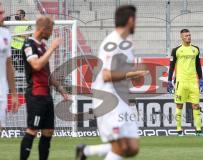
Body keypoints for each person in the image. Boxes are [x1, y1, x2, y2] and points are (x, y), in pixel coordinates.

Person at [76, 5, 148, 160]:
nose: (136, 23)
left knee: (133, 147)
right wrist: (132, 73)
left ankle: (86, 151)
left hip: (121, 100)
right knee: (121, 147)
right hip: (108, 100)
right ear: (130, 20)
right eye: (135, 20)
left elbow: (119, 73)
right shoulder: (113, 42)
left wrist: (133, 75)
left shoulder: (126, 43)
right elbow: (107, 75)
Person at [20, 16, 69, 160]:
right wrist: (53, 48)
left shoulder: (42, 46)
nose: (51, 34)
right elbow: (36, 65)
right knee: (32, 131)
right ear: (43, 30)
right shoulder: (29, 45)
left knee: (48, 132)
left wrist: (61, 89)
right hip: (36, 95)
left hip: (46, 96)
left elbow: (47, 73)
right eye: (50, 31)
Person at [167, 29, 203, 136]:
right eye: (186, 36)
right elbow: (172, 66)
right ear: (182, 37)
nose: (189, 37)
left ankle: (198, 130)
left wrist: (201, 79)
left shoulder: (196, 49)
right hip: (181, 81)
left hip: (193, 81)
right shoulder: (176, 50)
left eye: (189, 35)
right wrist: (169, 80)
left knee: (196, 105)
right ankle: (179, 130)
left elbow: (198, 65)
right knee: (179, 105)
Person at [0, 2, 18, 130]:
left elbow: (8, 65)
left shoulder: (5, 34)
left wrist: (14, 94)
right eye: (0, 13)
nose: (3, 16)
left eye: (3, 13)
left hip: (2, 89)